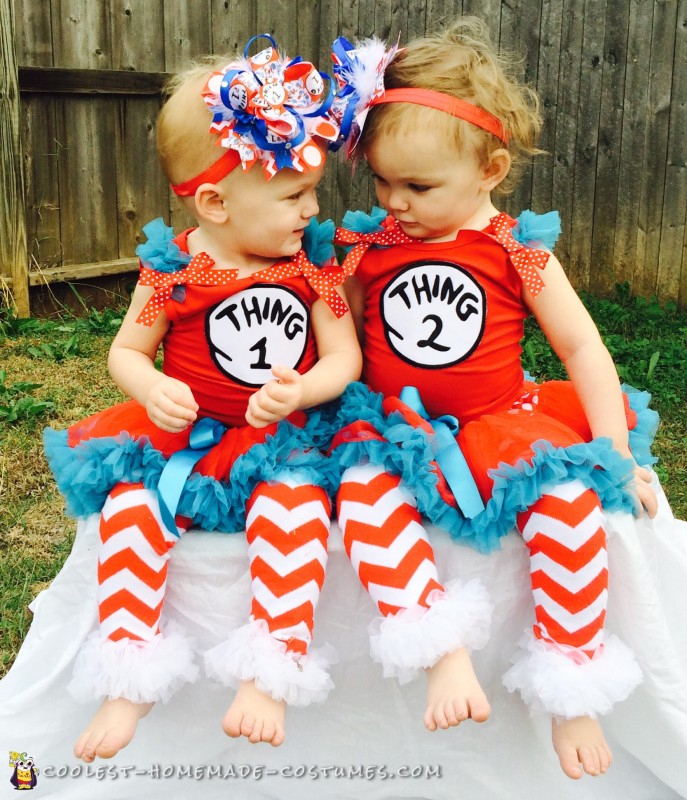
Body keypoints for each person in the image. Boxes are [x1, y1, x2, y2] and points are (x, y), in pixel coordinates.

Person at [325, 19, 660, 780]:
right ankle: (439, 650)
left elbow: (580, 348)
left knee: (571, 506)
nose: (392, 202)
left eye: (416, 186)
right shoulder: (371, 246)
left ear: (489, 169)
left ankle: (571, 685)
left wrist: (608, 450)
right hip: (393, 425)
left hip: (501, 421)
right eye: (378, 181)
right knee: (362, 499)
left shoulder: (515, 249)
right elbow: (331, 327)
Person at [43, 35, 361, 762]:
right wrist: (152, 386)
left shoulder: (312, 266)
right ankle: (130, 672)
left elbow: (344, 357)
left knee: (297, 511)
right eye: (292, 196)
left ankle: (269, 669)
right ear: (214, 202)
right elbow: (126, 350)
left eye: (312, 192)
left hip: (281, 439)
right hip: (185, 442)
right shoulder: (172, 271)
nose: (311, 211)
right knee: (129, 509)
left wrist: (304, 388)